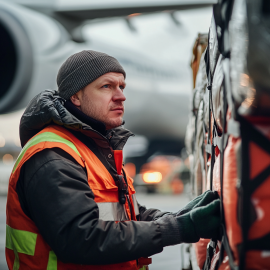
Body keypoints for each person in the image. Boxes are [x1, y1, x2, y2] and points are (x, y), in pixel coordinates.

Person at [6, 50, 220, 270]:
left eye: (122, 86)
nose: (121, 96)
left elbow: (127, 217)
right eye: (106, 86)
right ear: (75, 96)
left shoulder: (94, 148)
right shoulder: (53, 155)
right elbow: (83, 239)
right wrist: (179, 227)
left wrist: (179, 216)